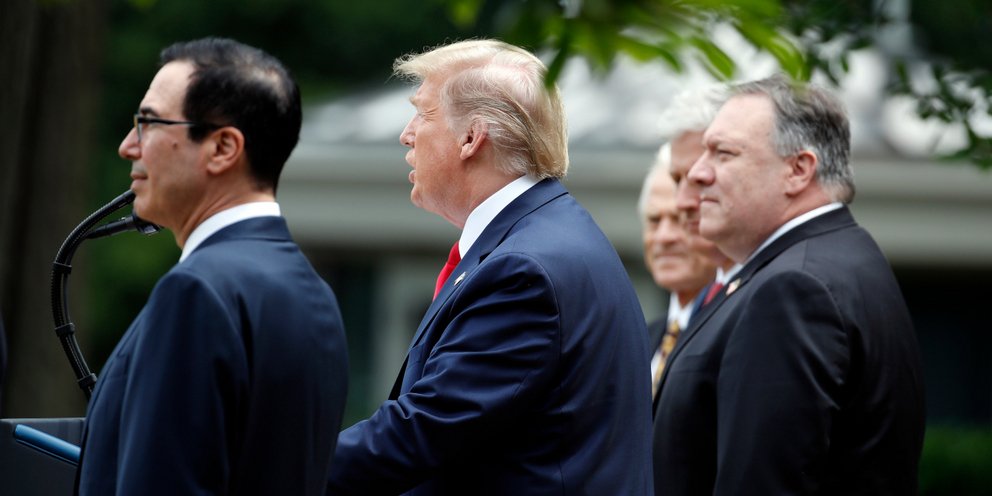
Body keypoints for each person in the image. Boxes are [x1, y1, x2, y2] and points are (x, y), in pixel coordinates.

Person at [327, 39, 653, 495]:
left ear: (471, 138)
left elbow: (423, 430)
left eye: (422, 114)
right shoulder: (544, 239)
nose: (406, 134)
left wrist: (276, 469)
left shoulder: (523, 269)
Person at [76, 37, 349, 496]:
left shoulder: (195, 291)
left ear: (223, 147)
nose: (128, 146)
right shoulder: (314, 293)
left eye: (148, 123)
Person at [651, 74, 925, 495]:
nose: (699, 174)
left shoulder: (795, 289)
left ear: (798, 170)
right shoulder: (840, 259)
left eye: (723, 153)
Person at [642, 85, 733, 398]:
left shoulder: (733, 321)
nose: (665, 237)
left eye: (679, 220)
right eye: (655, 220)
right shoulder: (641, 340)